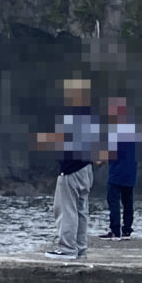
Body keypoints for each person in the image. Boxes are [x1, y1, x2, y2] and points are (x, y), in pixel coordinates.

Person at [34, 78, 97, 260]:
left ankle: (67, 249)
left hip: (71, 170)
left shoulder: (73, 115)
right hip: (86, 169)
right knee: (80, 210)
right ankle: (80, 248)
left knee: (66, 209)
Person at [102, 97, 140, 239]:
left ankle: (115, 230)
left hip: (116, 173)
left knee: (114, 202)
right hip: (130, 172)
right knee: (128, 202)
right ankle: (127, 230)